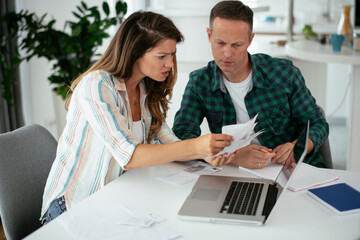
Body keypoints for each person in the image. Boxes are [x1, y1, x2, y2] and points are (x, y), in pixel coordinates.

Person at [40, 11, 236, 224]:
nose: (170, 63)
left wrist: (204, 155)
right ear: (135, 53)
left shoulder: (144, 87)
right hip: (73, 207)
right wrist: (195, 147)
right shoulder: (97, 86)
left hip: (115, 198)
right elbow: (129, 156)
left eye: (172, 54)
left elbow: (165, 140)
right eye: (162, 56)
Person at [173, 1, 329, 170]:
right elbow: (182, 138)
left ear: (250, 40)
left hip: (291, 169)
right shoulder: (199, 82)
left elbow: (318, 123)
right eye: (220, 43)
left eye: (236, 45)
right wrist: (233, 158)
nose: (227, 53)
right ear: (209, 36)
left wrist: (296, 147)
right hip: (234, 172)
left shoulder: (284, 73)